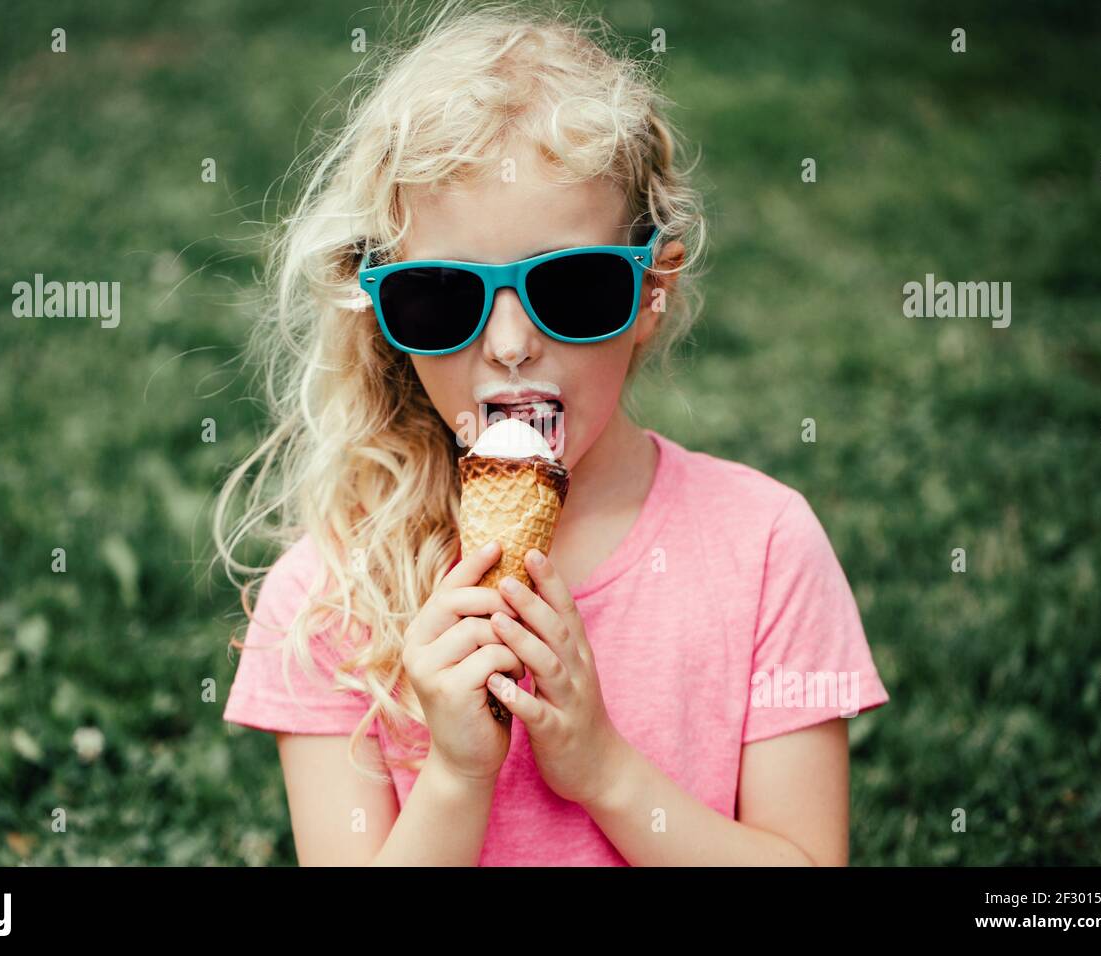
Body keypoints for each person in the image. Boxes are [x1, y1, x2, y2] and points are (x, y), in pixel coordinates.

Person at [215, 3, 889, 866]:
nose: (508, 343)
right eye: (442, 297)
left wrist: (604, 770)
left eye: (570, 287)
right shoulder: (331, 597)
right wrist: (457, 776)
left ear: (652, 290)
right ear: (384, 314)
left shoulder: (764, 550)